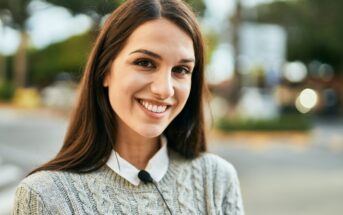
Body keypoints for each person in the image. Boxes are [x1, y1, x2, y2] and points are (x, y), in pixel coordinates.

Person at [13, 0, 244, 214]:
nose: (165, 90)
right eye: (145, 63)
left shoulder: (217, 179)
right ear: (105, 70)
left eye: (181, 70)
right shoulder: (44, 197)